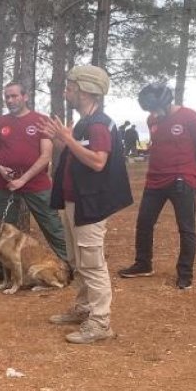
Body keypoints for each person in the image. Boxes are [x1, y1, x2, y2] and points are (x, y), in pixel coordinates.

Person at [39, 65, 133, 345]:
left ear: (84, 90)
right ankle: (84, 308)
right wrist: (62, 140)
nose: (66, 91)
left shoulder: (98, 124)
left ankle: (100, 322)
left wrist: (67, 138)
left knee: (92, 263)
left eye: (70, 86)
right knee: (77, 261)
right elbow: (75, 157)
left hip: (90, 204)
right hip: (75, 201)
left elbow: (97, 161)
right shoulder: (84, 123)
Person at [117, 81, 196, 289]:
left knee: (186, 228)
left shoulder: (190, 116)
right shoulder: (152, 119)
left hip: (182, 181)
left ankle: (185, 274)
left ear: (167, 102)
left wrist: (190, 168)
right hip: (155, 180)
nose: (154, 113)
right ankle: (143, 264)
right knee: (144, 222)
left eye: (156, 109)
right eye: (150, 110)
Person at [0, 82, 69, 285]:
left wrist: (23, 179)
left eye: (14, 96)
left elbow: (46, 156)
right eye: (7, 97)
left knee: (52, 225)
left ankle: (67, 266)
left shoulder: (40, 120)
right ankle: (1, 270)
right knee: (2, 231)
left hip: (36, 184)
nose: (10, 100)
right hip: (5, 184)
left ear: (25, 96)